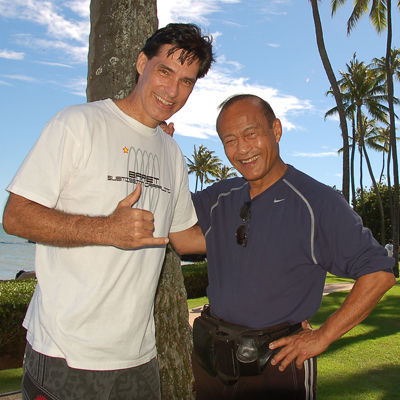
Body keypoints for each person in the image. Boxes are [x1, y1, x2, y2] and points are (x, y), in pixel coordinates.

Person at [2, 23, 212, 400]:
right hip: (66, 354)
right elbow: (16, 216)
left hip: (140, 358)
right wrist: (105, 230)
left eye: (187, 81)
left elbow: (184, 237)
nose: (172, 91)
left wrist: (256, 233)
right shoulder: (79, 123)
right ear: (141, 62)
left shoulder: (172, 155)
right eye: (165, 71)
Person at [190, 94, 395, 400]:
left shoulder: (317, 202)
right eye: (229, 140)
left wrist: (323, 335)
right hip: (211, 363)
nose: (241, 149)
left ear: (276, 130)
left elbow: (379, 273)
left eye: (251, 134)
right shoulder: (221, 196)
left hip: (274, 367)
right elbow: (176, 230)